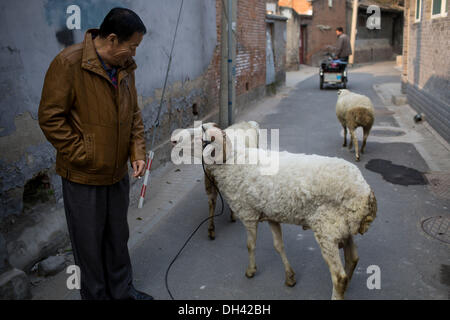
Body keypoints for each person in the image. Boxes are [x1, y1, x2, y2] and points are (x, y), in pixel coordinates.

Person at [38, 8, 153, 300]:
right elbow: (51, 118)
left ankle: (123, 292)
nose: (134, 54)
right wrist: (85, 154)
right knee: (89, 245)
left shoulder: (125, 68)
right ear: (112, 39)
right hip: (83, 175)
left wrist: (136, 152)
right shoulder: (69, 63)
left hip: (116, 174)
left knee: (117, 238)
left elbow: (134, 115)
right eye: (133, 46)